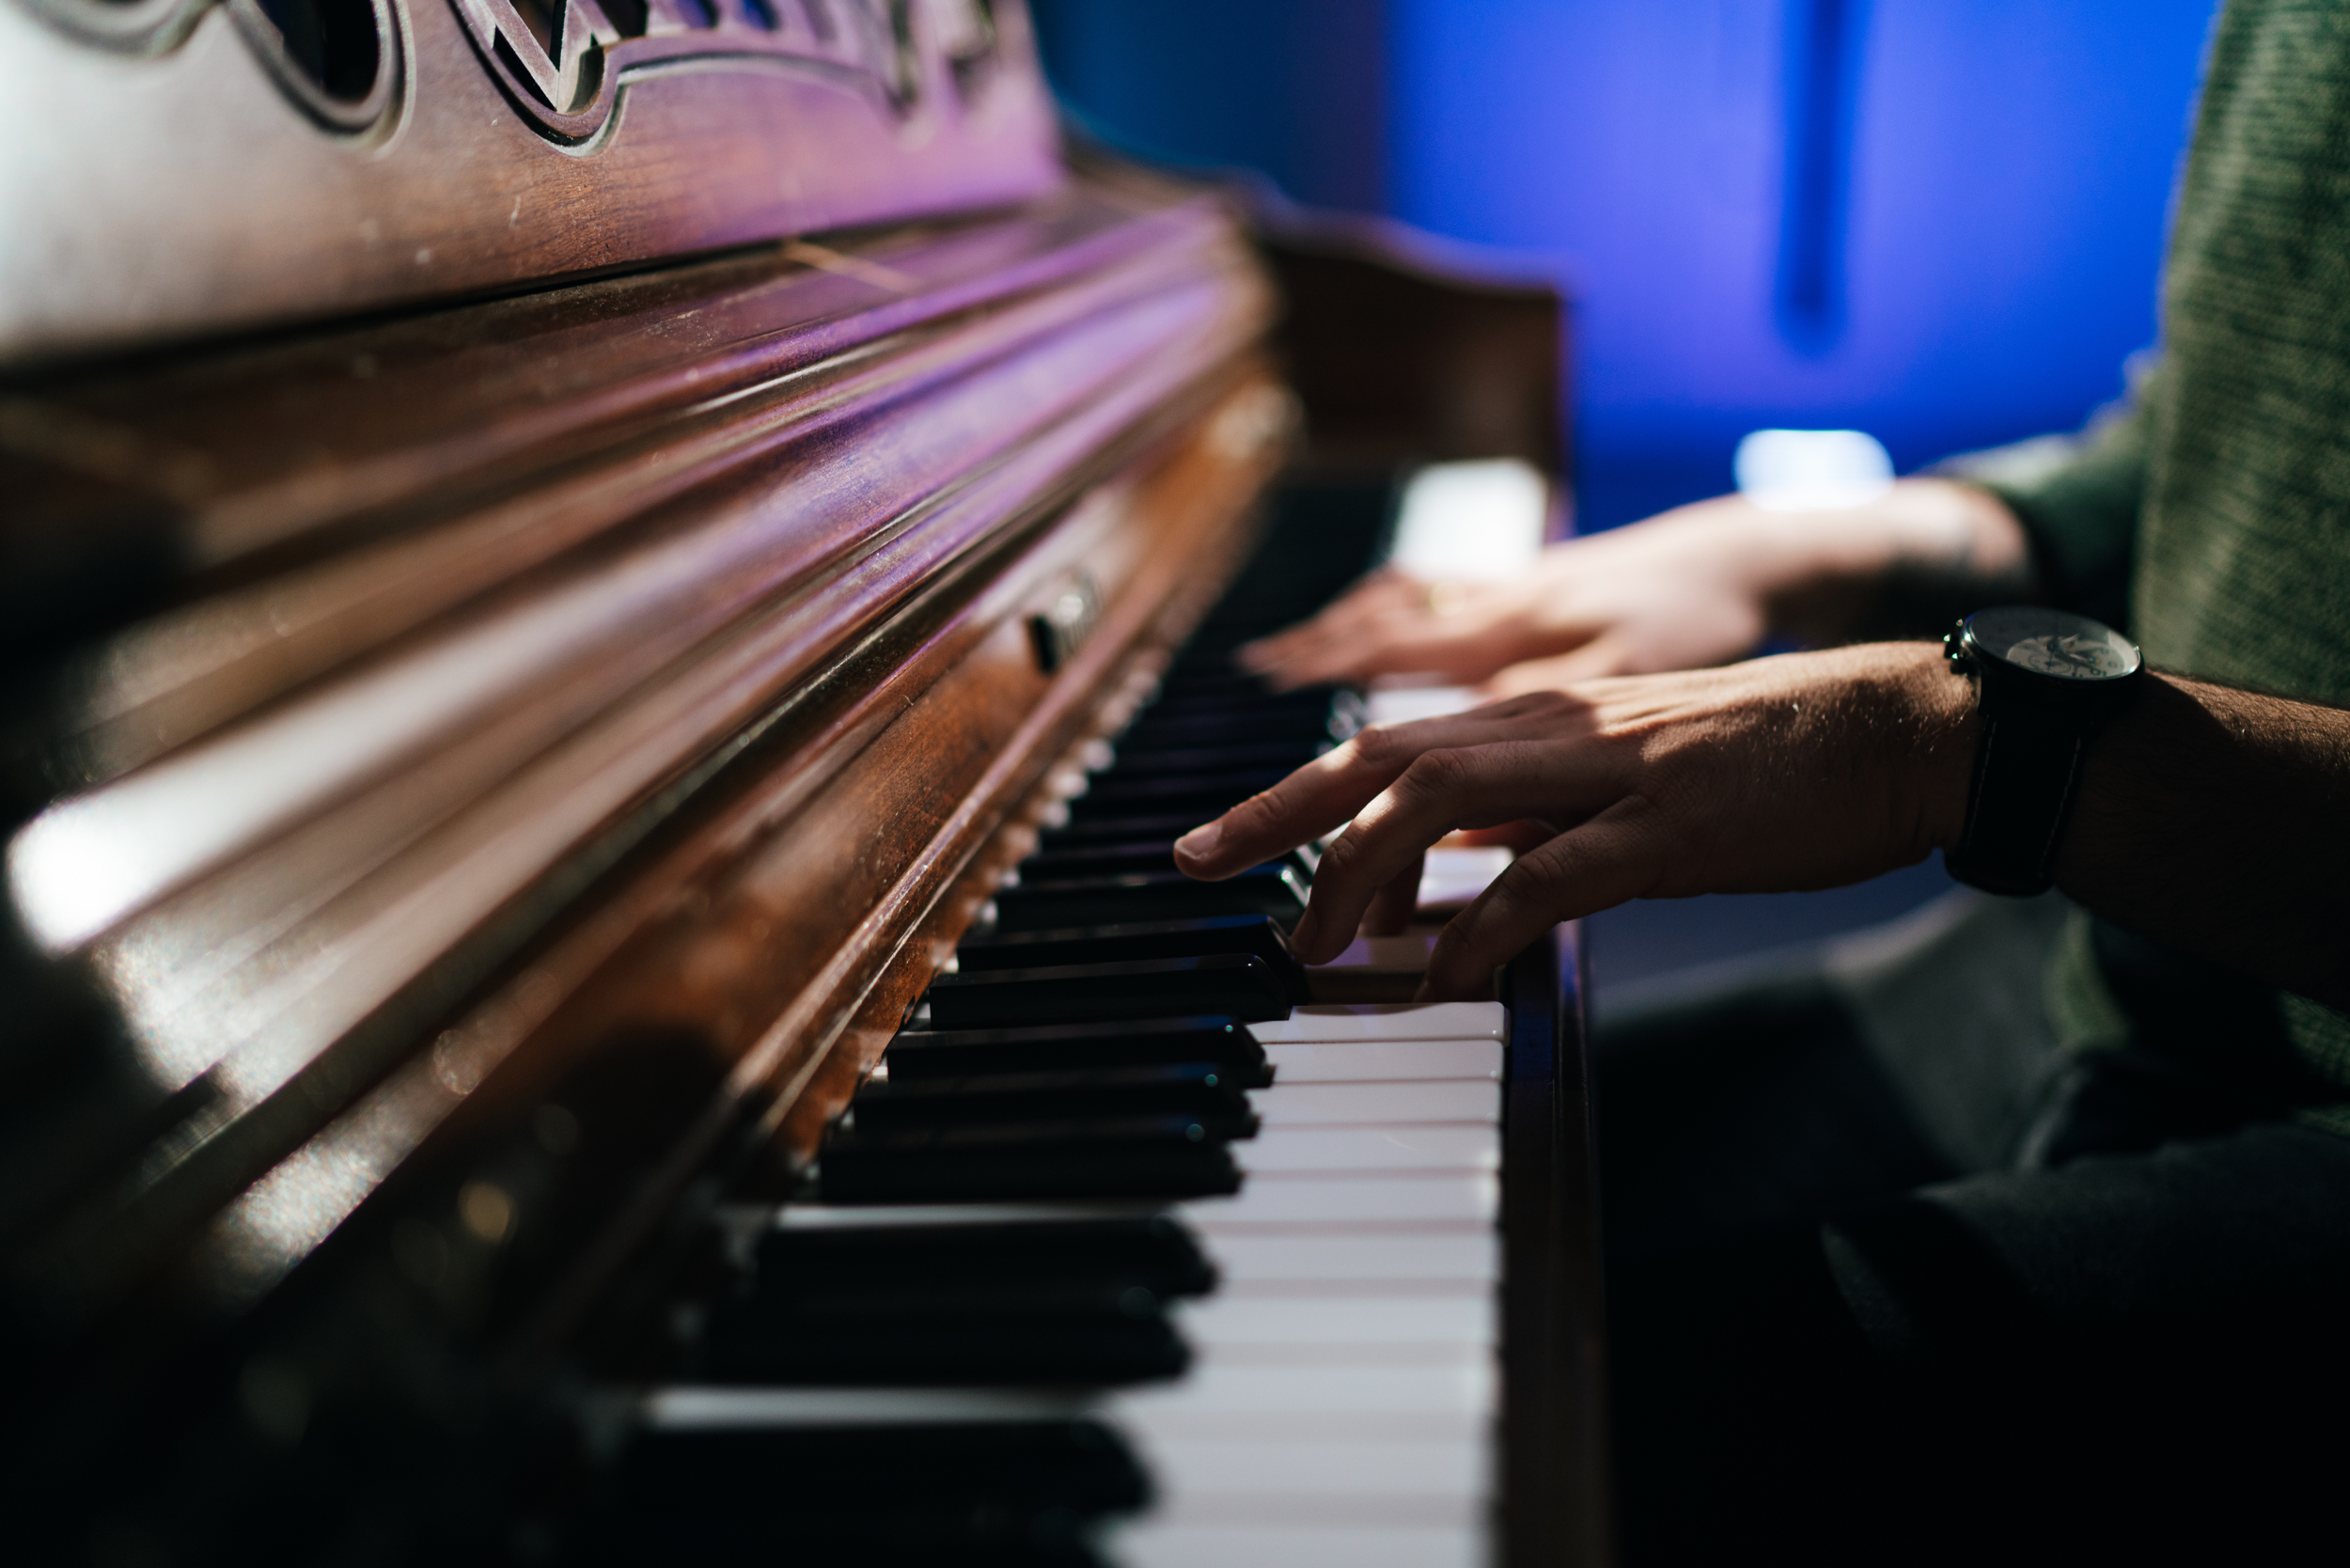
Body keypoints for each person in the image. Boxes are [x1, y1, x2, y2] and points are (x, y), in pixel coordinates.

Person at [1173, 2, 2350, 1560]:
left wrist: (1956, 742)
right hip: (2112, 964)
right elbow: (2218, 440)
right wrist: (1798, 551)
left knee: (1355, 1454)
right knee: (1362, 1220)